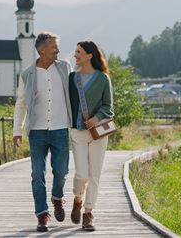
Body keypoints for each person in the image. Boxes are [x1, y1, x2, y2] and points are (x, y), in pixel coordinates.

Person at [13, 32, 72, 232]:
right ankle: (42, 214)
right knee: (37, 173)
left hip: (61, 128)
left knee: (61, 172)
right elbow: (20, 103)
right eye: (54, 47)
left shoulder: (65, 68)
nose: (58, 50)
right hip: (37, 131)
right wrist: (17, 130)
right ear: (42, 50)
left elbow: (75, 93)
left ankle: (57, 197)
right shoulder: (27, 74)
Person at [68, 41, 115, 231]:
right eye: (75, 52)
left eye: (79, 52)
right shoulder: (71, 78)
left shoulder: (103, 79)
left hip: (98, 133)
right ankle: (77, 198)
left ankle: (88, 213)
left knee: (94, 175)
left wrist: (97, 118)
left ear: (89, 55)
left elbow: (108, 107)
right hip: (78, 132)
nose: (75, 55)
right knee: (81, 174)